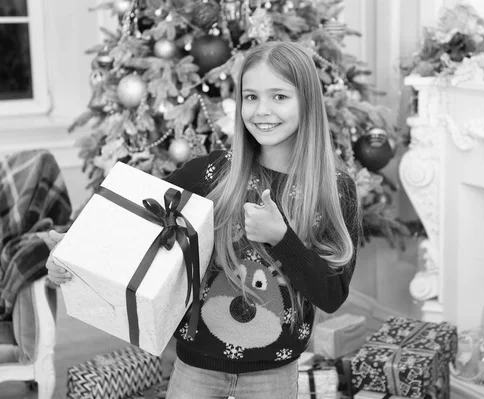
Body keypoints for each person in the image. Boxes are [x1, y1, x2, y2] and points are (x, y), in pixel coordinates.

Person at [46, 40, 361, 398]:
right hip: (196, 368)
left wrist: (281, 239)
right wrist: (72, 251)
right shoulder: (213, 172)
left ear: (307, 101)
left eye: (279, 96)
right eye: (251, 96)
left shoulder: (334, 190)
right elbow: (132, 220)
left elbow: (332, 295)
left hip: (273, 375)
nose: (262, 110)